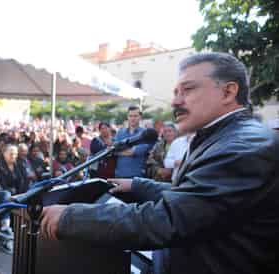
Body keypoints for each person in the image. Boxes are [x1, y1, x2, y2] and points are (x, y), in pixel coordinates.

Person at [40, 52, 279, 274]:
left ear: (228, 93)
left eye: (187, 90)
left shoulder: (242, 147)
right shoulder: (223, 137)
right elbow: (192, 198)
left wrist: (72, 217)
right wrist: (137, 185)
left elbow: (170, 219)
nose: (175, 102)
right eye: (175, 92)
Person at [114, 106, 156, 178]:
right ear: (127, 117)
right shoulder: (120, 132)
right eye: (130, 116)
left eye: (135, 116)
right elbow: (113, 151)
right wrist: (117, 151)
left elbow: (132, 152)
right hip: (119, 174)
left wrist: (120, 151)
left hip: (137, 177)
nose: (133, 118)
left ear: (140, 117)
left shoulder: (146, 134)